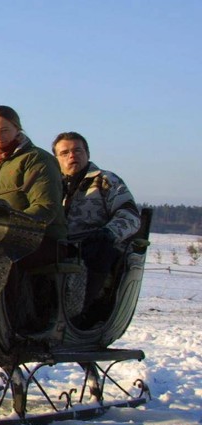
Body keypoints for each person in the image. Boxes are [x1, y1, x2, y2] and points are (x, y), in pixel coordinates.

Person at [0, 105, 67, 332]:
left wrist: (11, 229)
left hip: (44, 238)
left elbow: (45, 207)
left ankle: (17, 325)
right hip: (1, 236)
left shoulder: (37, 159)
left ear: (17, 129)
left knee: (2, 260)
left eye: (4, 130)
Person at [53, 131, 141, 318]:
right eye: (65, 153)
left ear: (88, 154)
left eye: (78, 150)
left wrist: (109, 233)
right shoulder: (51, 184)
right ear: (56, 158)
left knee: (98, 250)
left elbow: (130, 216)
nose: (72, 156)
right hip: (59, 245)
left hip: (95, 246)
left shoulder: (106, 180)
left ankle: (79, 316)